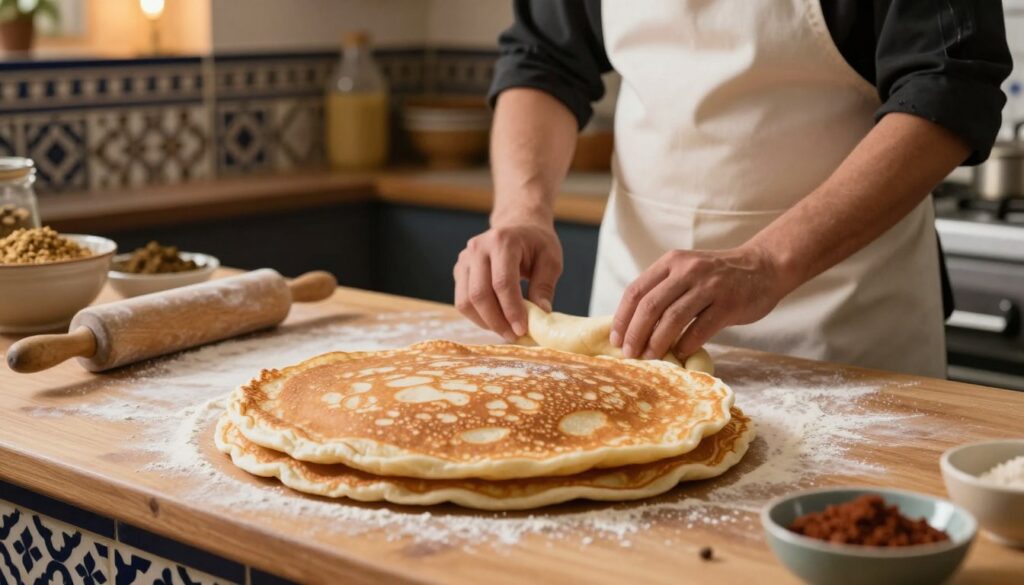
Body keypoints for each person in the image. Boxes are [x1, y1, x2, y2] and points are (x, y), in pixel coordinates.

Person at [452, 0, 1012, 377]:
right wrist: (520, 211)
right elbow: (542, 59)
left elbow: (948, 89)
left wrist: (767, 262)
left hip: (846, 326)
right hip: (634, 322)